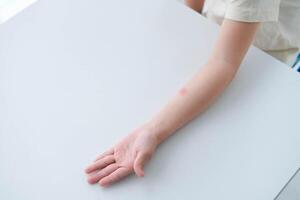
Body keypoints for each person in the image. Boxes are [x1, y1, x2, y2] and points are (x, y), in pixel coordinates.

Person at [84, 0, 300, 187]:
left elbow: (224, 63)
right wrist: (192, 18)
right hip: (218, 27)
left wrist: (152, 131)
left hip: (268, 56)